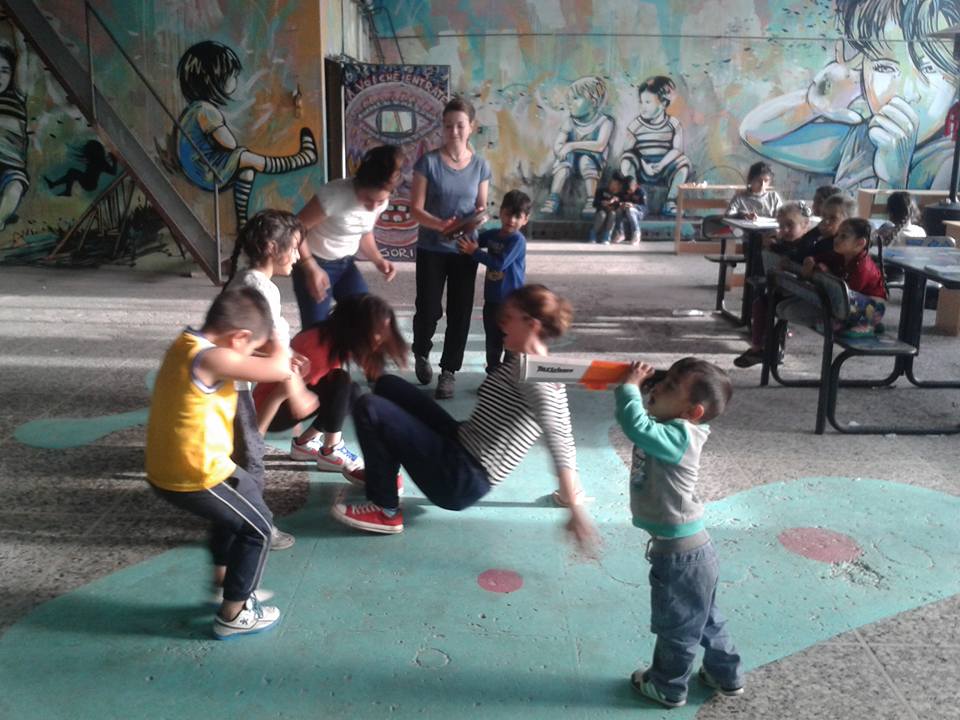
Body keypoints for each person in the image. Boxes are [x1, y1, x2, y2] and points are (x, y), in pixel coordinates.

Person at [330, 285, 597, 553]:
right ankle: (384, 476)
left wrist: (574, 509)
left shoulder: (534, 376)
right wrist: (569, 495)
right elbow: (563, 424)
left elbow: (557, 433)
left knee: (369, 407)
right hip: (460, 443)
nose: (500, 324)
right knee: (388, 385)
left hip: (460, 477)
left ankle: (385, 510)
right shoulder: (534, 363)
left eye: (508, 318)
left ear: (532, 325)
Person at [145, 286, 292, 639]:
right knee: (259, 527)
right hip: (197, 472)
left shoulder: (187, 344)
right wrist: (278, 340)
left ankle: (224, 580)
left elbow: (259, 364)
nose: (250, 357)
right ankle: (235, 613)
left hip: (180, 466)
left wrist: (260, 351)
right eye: (250, 348)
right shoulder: (212, 358)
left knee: (242, 501)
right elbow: (279, 368)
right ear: (238, 337)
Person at [615, 357, 743, 709]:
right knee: (706, 618)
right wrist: (639, 388)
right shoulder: (671, 429)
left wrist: (629, 388)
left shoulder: (680, 436)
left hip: (679, 557)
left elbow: (635, 425)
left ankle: (668, 686)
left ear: (693, 412)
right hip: (693, 552)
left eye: (670, 386)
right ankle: (725, 675)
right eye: (662, 380)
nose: (657, 387)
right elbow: (643, 420)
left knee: (677, 627)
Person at [740, 2, 958, 190]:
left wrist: (893, 177)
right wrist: (813, 102)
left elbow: (896, 224)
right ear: (864, 73)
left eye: (929, 68)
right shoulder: (862, 138)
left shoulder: (949, 162)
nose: (906, 90)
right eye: (883, 67)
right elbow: (754, 132)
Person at [253, 294, 408, 483]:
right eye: (377, 333)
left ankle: (305, 443)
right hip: (271, 412)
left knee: (350, 390)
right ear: (358, 328)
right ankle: (331, 450)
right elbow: (289, 392)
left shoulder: (335, 337)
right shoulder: (317, 349)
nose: (380, 340)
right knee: (342, 383)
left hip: (287, 401)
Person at [225, 210, 306, 550]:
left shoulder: (248, 280)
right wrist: (292, 381)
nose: (298, 256)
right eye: (295, 247)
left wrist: (284, 356)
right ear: (273, 247)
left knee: (244, 452)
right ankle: (256, 527)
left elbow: (247, 338)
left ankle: (234, 519)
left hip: (231, 381)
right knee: (251, 460)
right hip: (231, 385)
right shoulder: (259, 287)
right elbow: (259, 342)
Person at [171, 40, 317, 228]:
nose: (236, 79)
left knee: (246, 170)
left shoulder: (196, 108)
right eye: (232, 75)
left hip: (200, 167)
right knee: (242, 155)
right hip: (205, 170)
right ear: (213, 80)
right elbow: (229, 144)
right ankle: (300, 160)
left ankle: (241, 222)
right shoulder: (206, 110)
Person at [410, 96, 492, 400]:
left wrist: (477, 218)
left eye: (459, 125)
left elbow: (481, 205)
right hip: (431, 248)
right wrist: (440, 225)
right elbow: (415, 210)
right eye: (448, 126)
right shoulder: (428, 163)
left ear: (471, 127)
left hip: (465, 249)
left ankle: (449, 371)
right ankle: (421, 351)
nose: (453, 131)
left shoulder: (481, 166)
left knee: (461, 312)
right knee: (429, 309)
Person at [292, 145, 401, 328]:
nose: (374, 207)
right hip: (314, 261)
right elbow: (295, 229)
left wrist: (378, 259)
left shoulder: (380, 202)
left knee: (366, 318)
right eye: (368, 200)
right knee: (316, 330)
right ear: (358, 184)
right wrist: (310, 267)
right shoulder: (333, 196)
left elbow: (364, 232)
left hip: (346, 264)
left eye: (380, 201)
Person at [458, 190, 530, 373]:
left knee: (510, 343)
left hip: (511, 303)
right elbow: (475, 239)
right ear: (501, 212)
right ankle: (492, 377)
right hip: (491, 301)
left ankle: (508, 379)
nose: (511, 220)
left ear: (525, 220)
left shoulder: (517, 240)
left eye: (517, 217)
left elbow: (499, 264)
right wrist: (464, 227)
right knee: (492, 342)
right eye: (508, 214)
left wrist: (474, 252)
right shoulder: (493, 235)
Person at [733, 202, 812, 368]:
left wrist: (774, 247)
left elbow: (794, 255)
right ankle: (758, 348)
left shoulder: (808, 246)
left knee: (772, 309)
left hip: (802, 295)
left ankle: (771, 348)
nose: (784, 230)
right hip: (784, 290)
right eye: (781, 226)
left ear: (805, 225)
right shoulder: (782, 243)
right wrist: (771, 247)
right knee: (759, 304)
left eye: (790, 225)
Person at [781, 218, 887, 337]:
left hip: (871, 308)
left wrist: (829, 274)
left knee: (824, 325)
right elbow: (820, 258)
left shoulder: (863, 267)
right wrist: (811, 260)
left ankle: (868, 325)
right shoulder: (840, 255)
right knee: (783, 309)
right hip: (846, 305)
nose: (836, 239)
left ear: (860, 243)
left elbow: (848, 296)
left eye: (843, 236)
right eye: (837, 235)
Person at [540, 76, 615, 217]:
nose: (570, 103)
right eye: (569, 99)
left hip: (594, 160)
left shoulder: (605, 122)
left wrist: (571, 146)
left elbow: (600, 146)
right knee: (564, 160)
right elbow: (559, 145)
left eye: (575, 99)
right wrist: (562, 150)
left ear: (593, 102)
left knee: (585, 160)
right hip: (571, 160)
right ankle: (553, 198)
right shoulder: (570, 122)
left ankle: (591, 200)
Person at [618, 75, 692, 216]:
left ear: (663, 103)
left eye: (647, 102)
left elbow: (677, 149)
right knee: (626, 160)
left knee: (684, 163)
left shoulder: (674, 124)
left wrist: (662, 164)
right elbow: (628, 150)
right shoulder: (636, 125)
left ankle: (670, 201)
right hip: (643, 168)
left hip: (665, 168)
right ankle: (635, 201)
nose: (643, 107)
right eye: (641, 102)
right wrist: (644, 164)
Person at [589, 172, 625, 244]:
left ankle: (606, 237)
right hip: (601, 211)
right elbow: (594, 203)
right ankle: (593, 235)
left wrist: (616, 203)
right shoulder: (601, 190)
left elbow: (619, 207)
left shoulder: (619, 195)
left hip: (611, 212)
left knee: (612, 214)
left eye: (618, 185)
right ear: (611, 182)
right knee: (602, 215)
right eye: (615, 183)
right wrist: (602, 203)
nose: (615, 186)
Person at [613, 176, 647, 245]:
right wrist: (620, 204)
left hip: (638, 213)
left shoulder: (641, 192)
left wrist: (634, 205)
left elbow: (644, 207)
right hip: (625, 211)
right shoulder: (623, 191)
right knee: (618, 210)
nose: (628, 192)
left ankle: (636, 234)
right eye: (627, 191)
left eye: (630, 190)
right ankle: (620, 233)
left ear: (635, 186)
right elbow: (617, 200)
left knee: (630, 210)